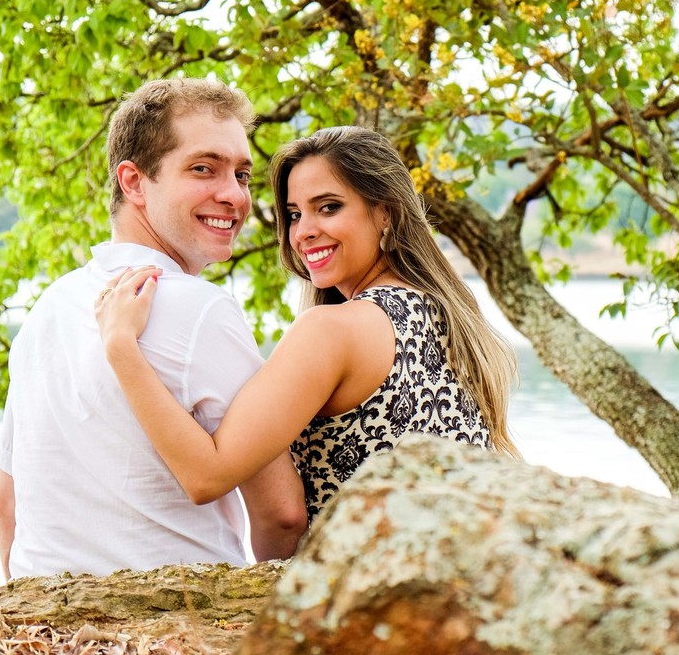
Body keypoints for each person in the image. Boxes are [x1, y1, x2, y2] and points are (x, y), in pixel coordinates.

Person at [97, 126, 519, 522]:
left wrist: (121, 348)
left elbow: (207, 476)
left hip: (356, 591)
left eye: (329, 208)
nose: (304, 232)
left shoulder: (332, 331)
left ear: (386, 213)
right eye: (295, 214)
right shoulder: (446, 314)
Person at [0, 79, 307, 580]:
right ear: (134, 182)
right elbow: (282, 514)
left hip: (41, 615)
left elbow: (5, 507)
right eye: (203, 169)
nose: (234, 196)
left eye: (243, 175)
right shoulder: (200, 309)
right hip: (179, 617)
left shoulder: (45, 310)